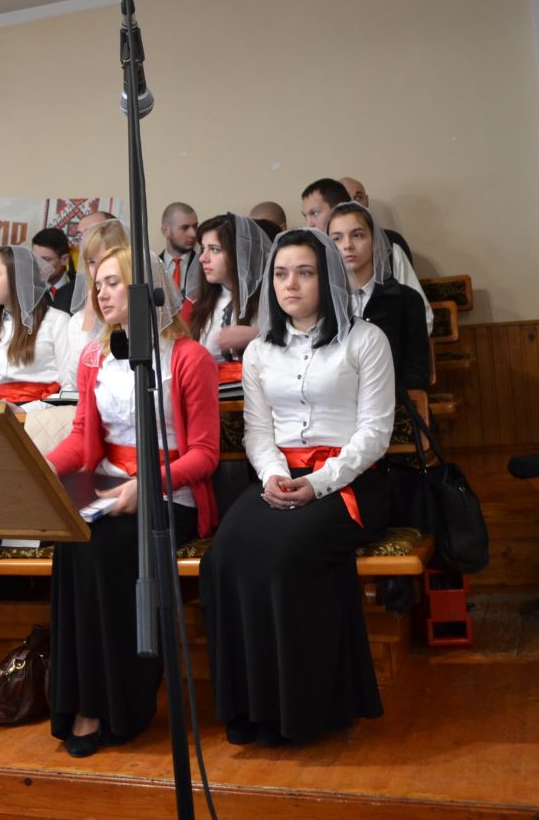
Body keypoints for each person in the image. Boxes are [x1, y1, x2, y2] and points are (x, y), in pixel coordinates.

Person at [200, 228, 394, 747]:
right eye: (281, 274)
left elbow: (375, 433)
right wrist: (273, 476)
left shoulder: (366, 340)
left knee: (284, 559)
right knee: (223, 558)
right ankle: (251, 709)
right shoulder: (260, 351)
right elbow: (257, 431)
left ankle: (303, 711)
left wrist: (317, 483)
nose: (290, 285)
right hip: (280, 476)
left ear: (327, 279)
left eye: (305, 273)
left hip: (351, 480)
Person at [45, 248, 219, 756]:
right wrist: (41, 467)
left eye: (113, 282)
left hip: (171, 493)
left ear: (145, 290)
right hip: (109, 485)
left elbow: (205, 454)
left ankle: (119, 705)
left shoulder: (188, 357)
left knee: (106, 548)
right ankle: (80, 700)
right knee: (70, 540)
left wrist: (147, 487)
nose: (101, 293)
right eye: (97, 284)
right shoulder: (93, 357)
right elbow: (82, 437)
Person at [304, 178, 431, 333]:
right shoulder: (318, 292)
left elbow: (422, 319)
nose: (347, 245)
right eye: (337, 238)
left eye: (315, 213)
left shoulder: (405, 295)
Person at [327, 203, 431, 390]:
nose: (347, 245)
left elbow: (416, 370)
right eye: (337, 238)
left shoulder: (407, 299)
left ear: (375, 243)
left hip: (392, 398)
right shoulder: (322, 302)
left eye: (357, 235)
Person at [0, 245, 75, 404]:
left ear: (18, 276)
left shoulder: (57, 321)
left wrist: (27, 411)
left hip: (43, 414)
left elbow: (71, 387)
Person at [187, 214, 272, 368]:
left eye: (214, 249)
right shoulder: (201, 304)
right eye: (203, 249)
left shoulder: (271, 300)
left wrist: (257, 335)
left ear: (239, 253)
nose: (202, 258)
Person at [62, 218, 130, 389]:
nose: (97, 269)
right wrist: (89, 319)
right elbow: (74, 381)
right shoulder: (78, 321)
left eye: (105, 259)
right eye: (91, 262)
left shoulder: (136, 311)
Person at [339, 176, 414, 265]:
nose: (354, 204)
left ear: (367, 200)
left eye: (358, 198)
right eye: (346, 199)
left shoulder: (394, 241)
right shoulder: (331, 246)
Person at [159, 202, 199, 302]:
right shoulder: (152, 268)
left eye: (195, 227)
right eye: (185, 228)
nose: (193, 234)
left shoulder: (204, 266)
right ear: (165, 231)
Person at [31, 227, 76, 311]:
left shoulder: (80, 290)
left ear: (64, 260)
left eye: (45, 260)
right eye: (34, 259)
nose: (38, 265)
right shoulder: (27, 290)